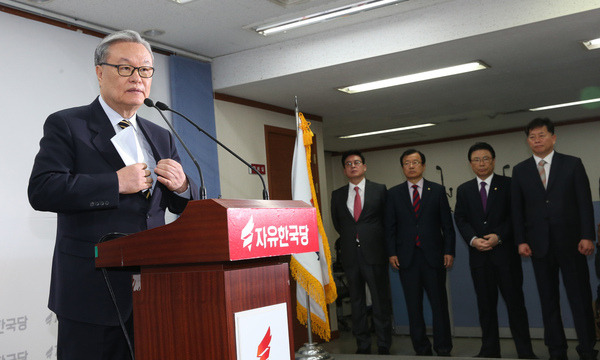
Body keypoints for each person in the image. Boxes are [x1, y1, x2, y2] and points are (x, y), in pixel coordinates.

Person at [28, 30, 198, 360]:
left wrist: (182, 187)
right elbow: (43, 189)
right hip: (91, 290)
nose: (137, 78)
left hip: (155, 289)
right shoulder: (68, 125)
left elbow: (181, 205)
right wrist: (114, 183)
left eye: (145, 69)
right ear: (100, 72)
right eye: (125, 68)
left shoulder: (160, 135)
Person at [511, 118, 596, 360]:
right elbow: (517, 210)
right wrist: (521, 240)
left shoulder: (572, 164)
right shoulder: (520, 170)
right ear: (527, 141)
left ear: (553, 138)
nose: (536, 140)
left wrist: (587, 235)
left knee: (580, 299)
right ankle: (556, 350)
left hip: (572, 244)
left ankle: (588, 349)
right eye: (532, 137)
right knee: (548, 301)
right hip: (539, 246)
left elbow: (584, 203)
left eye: (541, 135)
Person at [454, 142, 536, 359]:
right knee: (485, 307)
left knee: (516, 306)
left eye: (486, 159)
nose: (481, 163)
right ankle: (489, 351)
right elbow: (460, 219)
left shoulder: (509, 184)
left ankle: (525, 352)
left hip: (505, 257)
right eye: (476, 160)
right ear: (470, 164)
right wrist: (473, 239)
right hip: (479, 259)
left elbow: (516, 216)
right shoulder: (464, 190)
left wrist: (499, 236)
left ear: (493, 160)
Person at [385, 149, 455, 356]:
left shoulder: (438, 190)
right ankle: (421, 348)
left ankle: (443, 347)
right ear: (402, 167)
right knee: (413, 307)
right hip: (407, 258)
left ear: (423, 166)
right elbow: (390, 227)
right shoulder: (394, 193)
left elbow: (447, 226)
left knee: (439, 305)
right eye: (407, 163)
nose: (411, 166)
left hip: (434, 257)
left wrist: (449, 250)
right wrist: (391, 253)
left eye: (415, 162)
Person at [330, 150, 392, 355]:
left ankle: (384, 343)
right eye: (348, 164)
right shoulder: (337, 195)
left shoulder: (379, 190)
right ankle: (362, 344)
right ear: (344, 170)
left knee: (379, 300)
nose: (353, 166)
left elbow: (387, 222)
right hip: (350, 255)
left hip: (375, 253)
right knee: (356, 302)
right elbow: (339, 224)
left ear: (364, 167)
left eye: (357, 162)